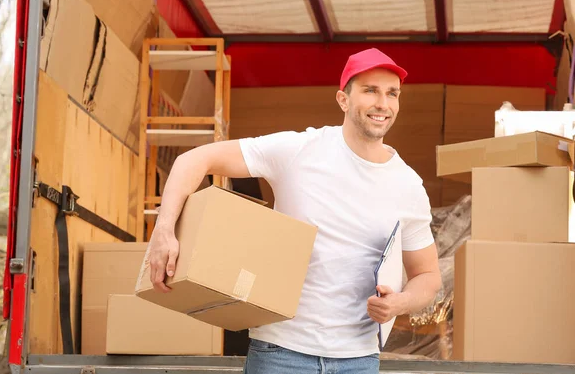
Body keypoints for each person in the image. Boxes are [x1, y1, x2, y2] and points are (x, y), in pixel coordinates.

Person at [146, 48, 442, 373]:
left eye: (392, 93)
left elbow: (427, 276)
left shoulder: (408, 185)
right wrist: (164, 230)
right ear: (343, 99)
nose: (383, 104)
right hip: (281, 351)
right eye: (370, 90)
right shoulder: (298, 151)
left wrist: (401, 302)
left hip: (358, 358)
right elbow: (194, 159)